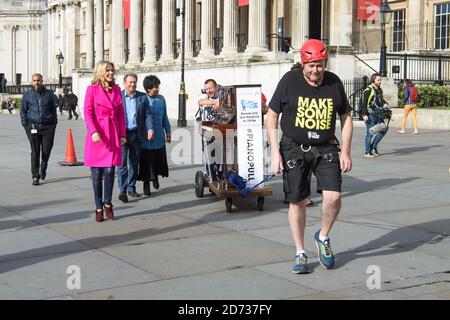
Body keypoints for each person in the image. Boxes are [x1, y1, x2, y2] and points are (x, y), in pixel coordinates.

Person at [266, 39, 353, 274]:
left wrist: (345, 151)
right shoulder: (289, 81)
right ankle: (300, 252)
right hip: (294, 148)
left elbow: (345, 117)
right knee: (298, 200)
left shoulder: (334, 82)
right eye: (311, 65)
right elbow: (272, 115)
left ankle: (323, 237)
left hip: (325, 147)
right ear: (303, 63)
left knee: (333, 196)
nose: (316, 70)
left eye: (320, 65)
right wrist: (275, 153)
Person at [83, 61, 126, 222]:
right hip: (98, 134)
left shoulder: (116, 90)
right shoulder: (92, 89)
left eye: (112, 70)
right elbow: (88, 112)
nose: (110, 73)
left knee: (109, 172)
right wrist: (93, 131)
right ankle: (98, 206)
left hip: (113, 132)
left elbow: (121, 114)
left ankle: (108, 203)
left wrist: (122, 134)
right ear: (100, 72)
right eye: (107, 70)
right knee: (96, 174)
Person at [118, 72, 154, 202]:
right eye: (130, 82)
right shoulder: (118, 97)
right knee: (122, 163)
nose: (132, 84)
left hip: (136, 134)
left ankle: (131, 188)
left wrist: (150, 128)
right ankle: (122, 190)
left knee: (133, 163)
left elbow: (148, 115)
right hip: (122, 134)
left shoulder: (142, 97)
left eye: (134, 82)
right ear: (125, 83)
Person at [20, 73, 58, 185]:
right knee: (35, 151)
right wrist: (25, 125)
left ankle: (44, 166)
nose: (37, 83)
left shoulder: (49, 94)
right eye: (34, 80)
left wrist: (54, 122)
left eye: (39, 80)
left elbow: (53, 109)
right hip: (33, 126)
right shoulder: (27, 94)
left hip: (48, 126)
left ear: (42, 81)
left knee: (46, 150)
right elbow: (23, 110)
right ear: (32, 82)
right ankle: (35, 176)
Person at [138, 75, 171, 196]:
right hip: (146, 137)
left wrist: (168, 131)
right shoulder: (142, 99)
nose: (157, 89)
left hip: (158, 135)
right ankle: (146, 183)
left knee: (157, 158)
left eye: (158, 86)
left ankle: (155, 177)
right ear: (148, 89)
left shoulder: (161, 99)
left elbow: (165, 117)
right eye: (155, 87)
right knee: (146, 160)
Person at [361, 73, 390, 158]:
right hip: (370, 115)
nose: (380, 81)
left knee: (384, 129)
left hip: (379, 114)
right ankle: (367, 152)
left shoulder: (379, 90)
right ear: (373, 80)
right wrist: (364, 114)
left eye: (380, 80)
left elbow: (380, 100)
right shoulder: (368, 90)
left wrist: (385, 104)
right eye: (378, 80)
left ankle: (373, 148)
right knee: (370, 133)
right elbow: (364, 103)